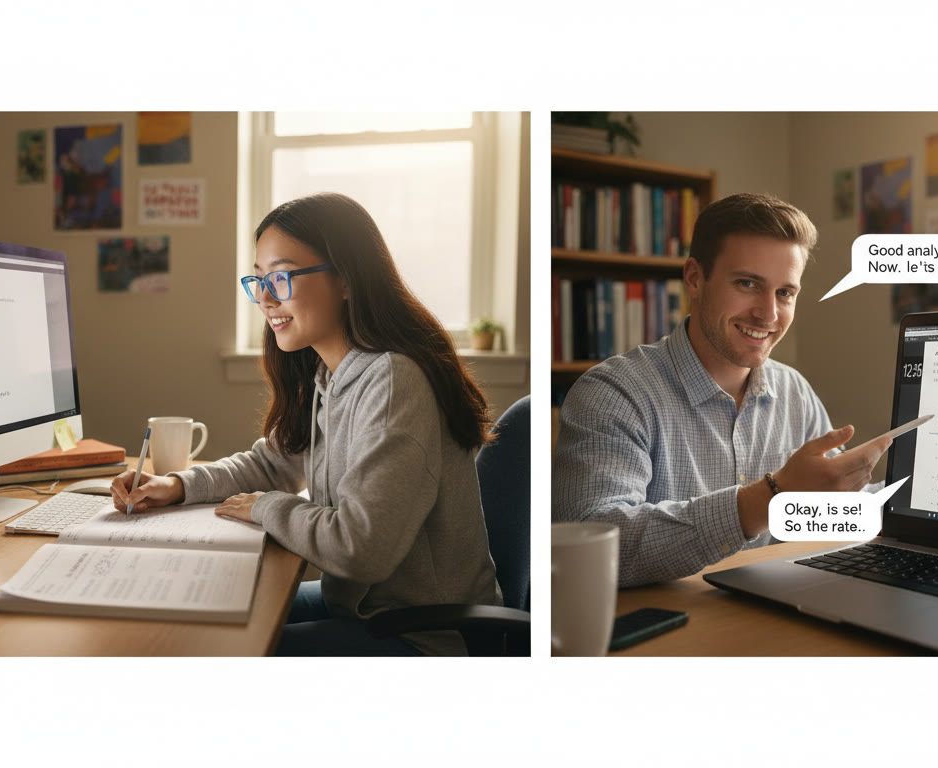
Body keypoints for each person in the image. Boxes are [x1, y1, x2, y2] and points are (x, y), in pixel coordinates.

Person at [111, 192, 503, 655]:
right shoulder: (332, 375)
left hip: (426, 635)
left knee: (216, 648)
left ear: (346, 280)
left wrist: (265, 508)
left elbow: (361, 549)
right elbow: (273, 462)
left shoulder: (394, 383)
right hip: (367, 610)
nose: (265, 298)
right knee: (202, 613)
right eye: (258, 281)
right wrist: (177, 483)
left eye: (281, 277)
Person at [552, 193, 893, 587]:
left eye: (785, 293)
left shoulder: (794, 392)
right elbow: (595, 545)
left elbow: (837, 507)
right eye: (748, 283)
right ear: (695, 278)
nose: (768, 314)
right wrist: (767, 498)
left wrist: (929, 496)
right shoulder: (613, 394)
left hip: (770, 617)